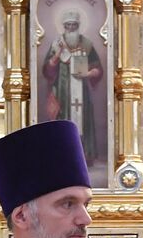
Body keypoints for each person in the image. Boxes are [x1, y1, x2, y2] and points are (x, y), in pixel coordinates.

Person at [42, 10, 104, 167]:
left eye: (73, 25)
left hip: (81, 90)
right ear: (63, 26)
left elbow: (97, 68)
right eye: (68, 25)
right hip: (62, 90)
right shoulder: (57, 44)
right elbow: (47, 69)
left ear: (78, 25)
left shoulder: (87, 44)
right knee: (63, 119)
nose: (70, 28)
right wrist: (58, 55)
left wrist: (90, 73)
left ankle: (84, 156)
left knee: (82, 118)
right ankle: (63, 158)